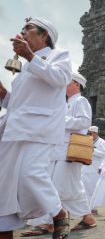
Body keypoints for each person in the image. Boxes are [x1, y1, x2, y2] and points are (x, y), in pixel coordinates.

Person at [0, 17, 71, 239]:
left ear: (44, 35)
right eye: (22, 29)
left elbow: (61, 78)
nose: (22, 32)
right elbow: (17, 103)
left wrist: (29, 56)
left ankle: (59, 213)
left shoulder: (59, 56)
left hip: (40, 128)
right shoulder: (24, 68)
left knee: (30, 174)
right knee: (5, 187)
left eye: (28, 28)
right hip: (14, 130)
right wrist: (2, 93)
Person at [21, 72, 96, 236]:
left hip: (72, 150)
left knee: (56, 187)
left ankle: (49, 223)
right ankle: (88, 218)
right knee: (72, 186)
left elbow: (84, 122)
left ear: (77, 84)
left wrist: (59, 120)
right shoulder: (65, 103)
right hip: (59, 151)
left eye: (67, 82)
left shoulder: (81, 101)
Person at [81, 125, 105, 215]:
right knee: (85, 188)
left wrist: (93, 150)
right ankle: (87, 208)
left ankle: (94, 208)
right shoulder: (87, 140)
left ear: (96, 133)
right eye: (89, 133)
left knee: (93, 189)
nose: (90, 135)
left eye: (91, 133)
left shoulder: (101, 142)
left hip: (95, 168)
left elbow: (104, 154)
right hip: (86, 167)